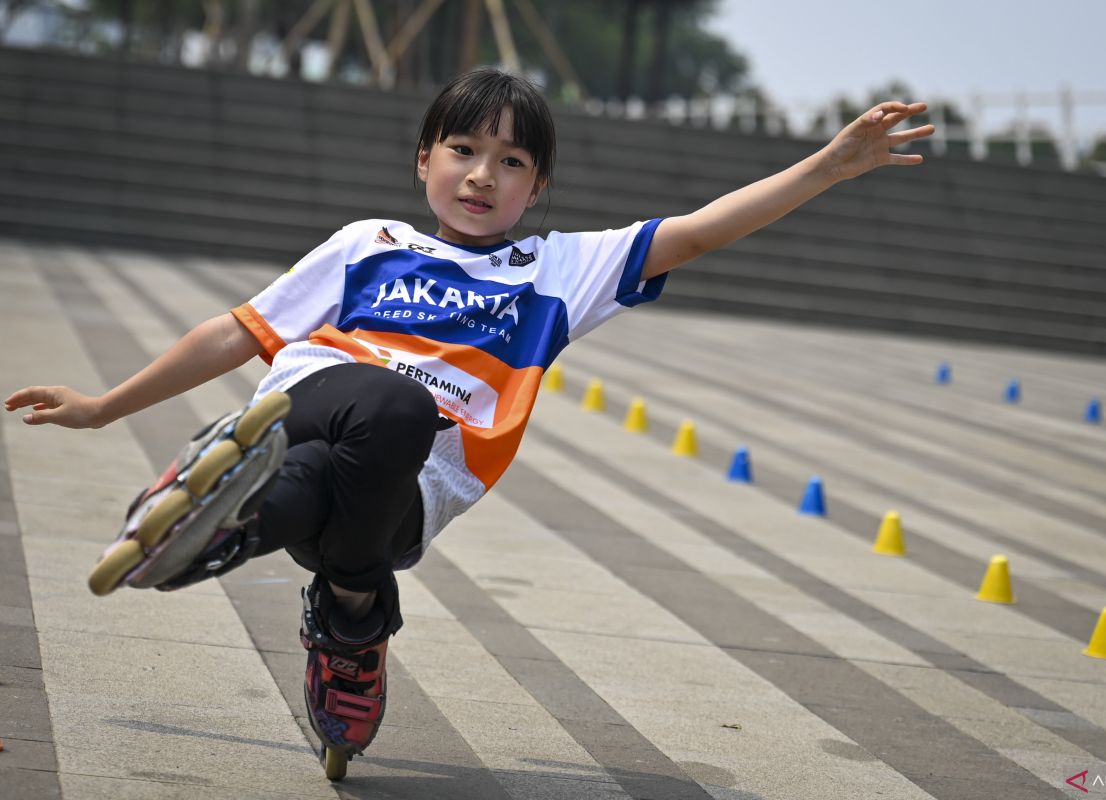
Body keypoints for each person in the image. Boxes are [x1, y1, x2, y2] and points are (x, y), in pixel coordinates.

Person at [4, 68, 933, 777]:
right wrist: (102, 407)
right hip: (317, 398)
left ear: (537, 187)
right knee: (385, 400)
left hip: (412, 490)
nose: (483, 175)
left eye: (512, 162)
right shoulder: (368, 246)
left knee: (369, 466)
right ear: (423, 159)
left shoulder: (559, 269)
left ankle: (254, 540)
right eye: (462, 150)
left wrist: (828, 166)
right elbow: (232, 333)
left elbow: (698, 229)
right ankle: (267, 546)